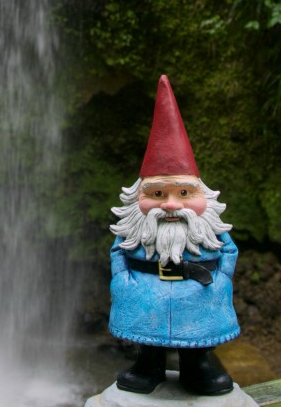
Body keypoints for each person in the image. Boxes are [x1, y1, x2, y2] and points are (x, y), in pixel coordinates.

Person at [107, 75, 240, 396]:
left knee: (196, 336)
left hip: (199, 291)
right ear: (138, 197)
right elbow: (118, 254)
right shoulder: (135, 230)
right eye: (156, 193)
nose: (169, 204)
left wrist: (220, 279)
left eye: (183, 192)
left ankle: (197, 365)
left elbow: (229, 252)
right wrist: (121, 282)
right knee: (147, 335)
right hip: (144, 295)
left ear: (202, 195)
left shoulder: (207, 229)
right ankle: (148, 364)